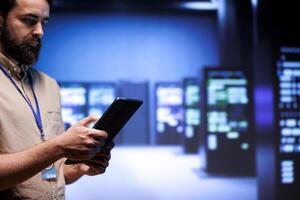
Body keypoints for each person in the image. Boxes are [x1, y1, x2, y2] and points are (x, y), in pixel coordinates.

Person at [0, 0, 114, 199]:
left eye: (44, 22)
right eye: (29, 21)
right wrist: (59, 147)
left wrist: (81, 166)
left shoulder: (49, 85)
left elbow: (49, 174)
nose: (40, 32)